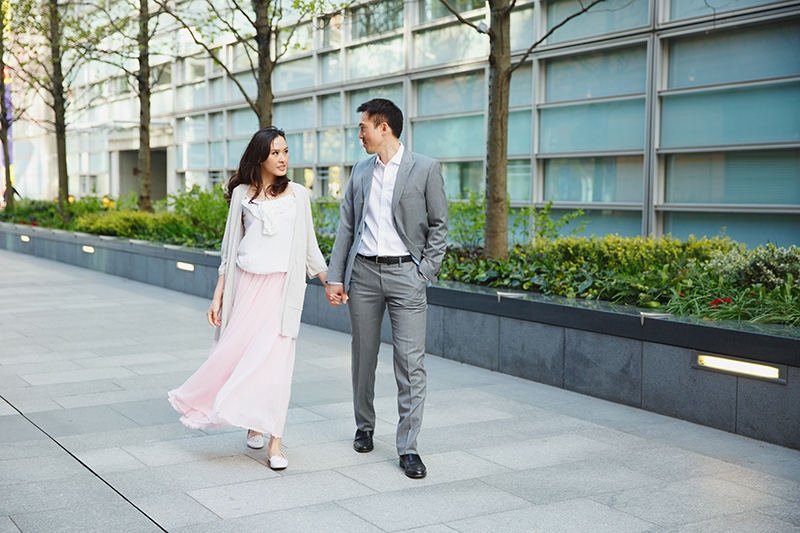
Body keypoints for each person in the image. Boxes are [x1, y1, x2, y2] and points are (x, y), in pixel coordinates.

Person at [169, 126, 328, 470]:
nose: (283, 158)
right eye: (275, 153)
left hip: (282, 291)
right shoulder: (243, 194)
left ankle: (275, 442)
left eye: (285, 151)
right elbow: (230, 249)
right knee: (237, 357)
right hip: (246, 287)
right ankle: (253, 422)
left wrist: (331, 282)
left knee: (276, 366)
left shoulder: (300, 195)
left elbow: (309, 248)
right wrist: (218, 296)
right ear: (260, 157)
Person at [325, 99, 448, 479]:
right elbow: (347, 225)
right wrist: (335, 276)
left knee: (411, 365)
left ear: (383, 128)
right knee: (363, 357)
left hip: (405, 276)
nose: (359, 135)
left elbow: (440, 226)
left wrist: (423, 271)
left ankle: (408, 449)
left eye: (363, 127)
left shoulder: (425, 168)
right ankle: (364, 427)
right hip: (362, 274)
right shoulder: (360, 171)